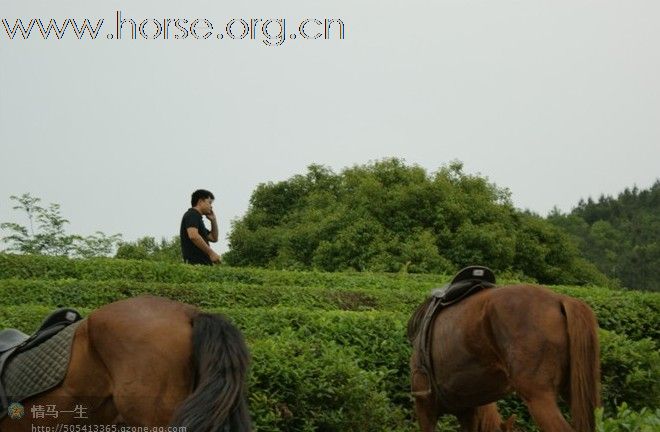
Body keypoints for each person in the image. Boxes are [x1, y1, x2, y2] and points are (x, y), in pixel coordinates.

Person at [180, 189, 221, 265]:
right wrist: (211, 253)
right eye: (209, 202)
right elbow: (193, 236)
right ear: (200, 202)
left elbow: (213, 238)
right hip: (196, 264)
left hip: (203, 264)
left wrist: (213, 220)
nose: (211, 206)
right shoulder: (192, 214)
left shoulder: (197, 218)